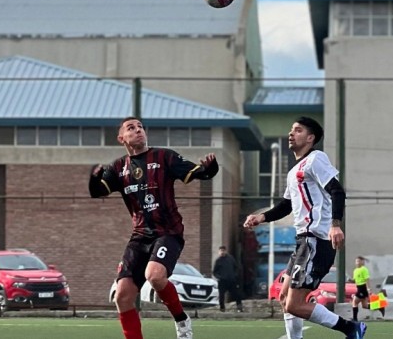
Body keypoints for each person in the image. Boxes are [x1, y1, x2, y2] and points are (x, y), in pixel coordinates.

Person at [88, 116, 218, 339]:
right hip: (139, 236)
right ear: (122, 138)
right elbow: (97, 191)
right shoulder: (119, 168)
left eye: (140, 127)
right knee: (122, 296)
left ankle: (182, 320)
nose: (138, 130)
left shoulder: (164, 156)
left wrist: (210, 168)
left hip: (168, 232)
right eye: (131, 128)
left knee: (154, 275)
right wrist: (94, 177)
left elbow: (200, 173)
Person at [243, 116, 366, 339]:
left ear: (311, 138)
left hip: (316, 241)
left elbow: (337, 191)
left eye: (298, 130)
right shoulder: (293, 172)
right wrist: (261, 217)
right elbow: (286, 206)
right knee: (283, 297)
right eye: (291, 130)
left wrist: (335, 225)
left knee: (295, 304)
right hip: (303, 242)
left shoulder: (316, 159)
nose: (291, 134)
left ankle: (351, 328)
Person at [351, 256, 384, 321]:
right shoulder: (355, 270)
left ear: (362, 262)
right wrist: (350, 280)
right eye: (356, 261)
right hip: (359, 287)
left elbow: (367, 279)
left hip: (362, 288)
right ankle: (379, 307)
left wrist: (369, 289)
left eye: (358, 261)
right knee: (365, 306)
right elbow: (355, 280)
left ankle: (355, 319)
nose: (357, 263)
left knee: (355, 302)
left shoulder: (364, 269)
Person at [212, 245, 243, 312]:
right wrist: (219, 277)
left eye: (223, 251)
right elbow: (214, 272)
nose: (222, 252)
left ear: (225, 251)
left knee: (236, 294)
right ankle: (222, 308)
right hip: (222, 281)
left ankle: (239, 307)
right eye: (221, 251)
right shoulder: (218, 261)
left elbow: (236, 268)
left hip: (231, 280)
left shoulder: (230, 259)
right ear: (219, 252)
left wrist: (235, 275)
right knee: (221, 296)